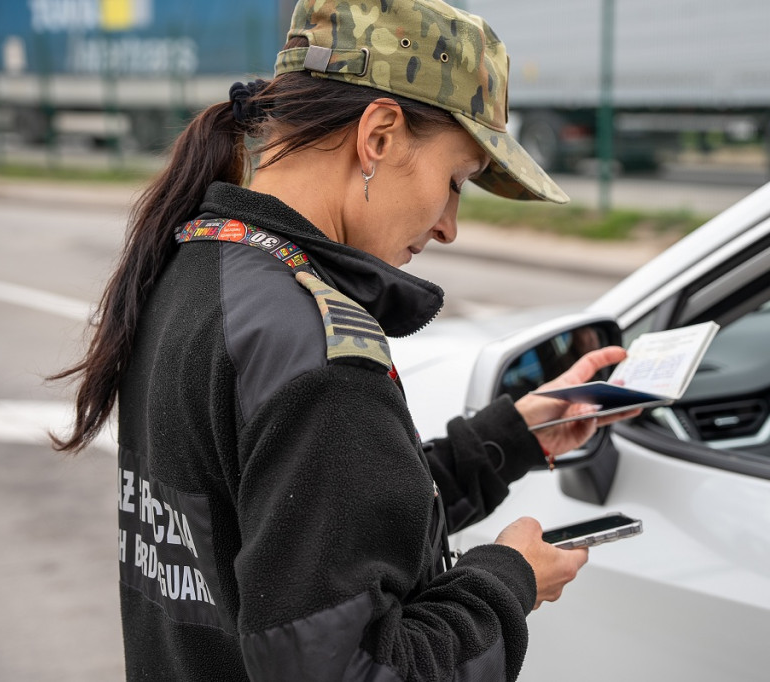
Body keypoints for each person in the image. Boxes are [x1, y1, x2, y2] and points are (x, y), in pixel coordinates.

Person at [51, 1, 638, 680]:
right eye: (455, 182)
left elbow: (302, 537)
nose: (449, 225)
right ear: (380, 136)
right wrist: (507, 582)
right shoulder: (317, 353)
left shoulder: (191, 266)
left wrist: (506, 441)